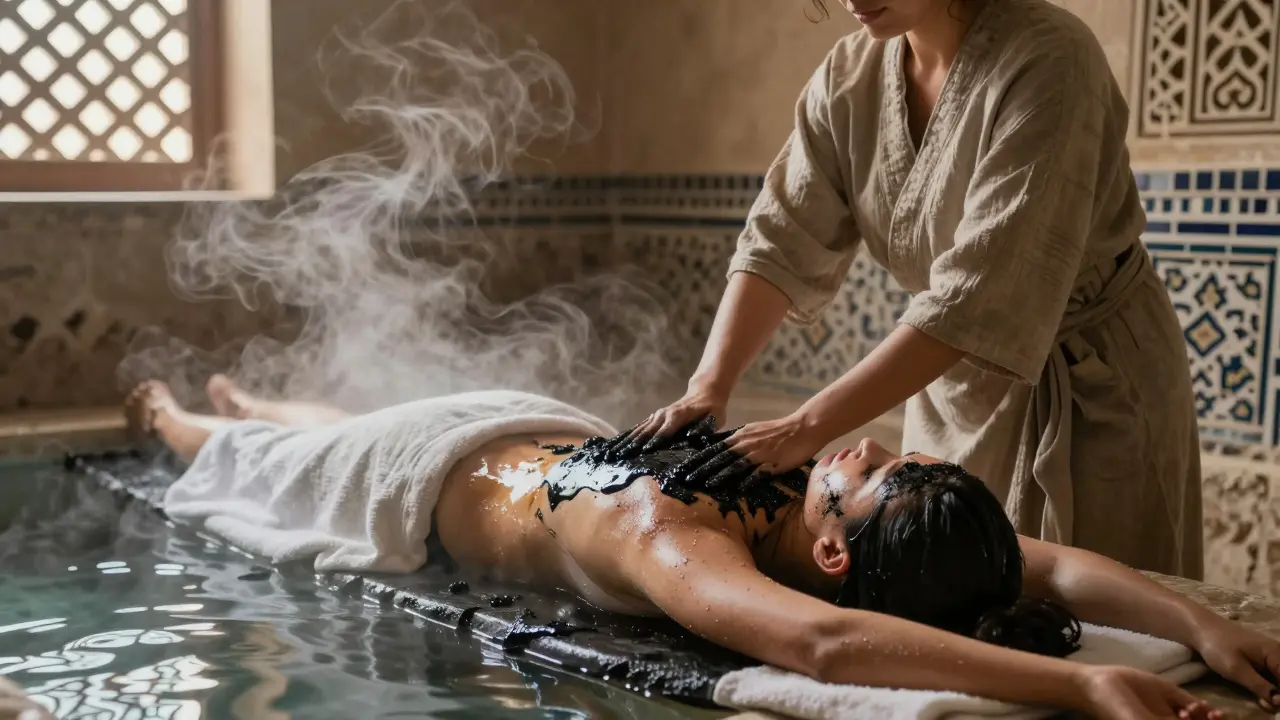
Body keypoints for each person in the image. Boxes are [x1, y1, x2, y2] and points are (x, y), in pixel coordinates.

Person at [121, 377, 1279, 719]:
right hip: (522, 415)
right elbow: (1048, 564)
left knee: (239, 460)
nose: (864, 451)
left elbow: (825, 648)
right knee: (338, 420)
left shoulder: (670, 546)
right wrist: (1202, 627)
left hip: (410, 482)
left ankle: (181, 415)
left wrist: (1082, 692)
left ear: (835, 549)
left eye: (866, 477)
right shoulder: (802, 499)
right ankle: (261, 399)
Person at [628, 0, 1203, 579]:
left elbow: (974, 296)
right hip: (947, 385)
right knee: (938, 592)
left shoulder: (1052, 60)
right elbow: (780, 239)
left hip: (1091, 390)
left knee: (1104, 615)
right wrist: (708, 386)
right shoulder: (849, 76)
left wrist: (805, 428)